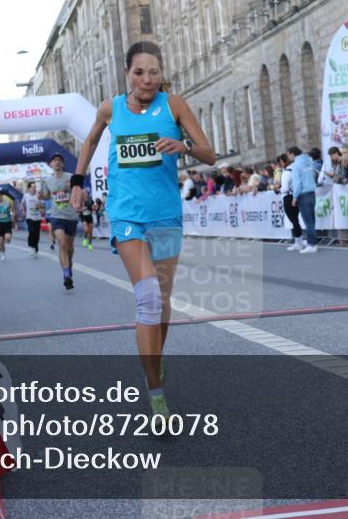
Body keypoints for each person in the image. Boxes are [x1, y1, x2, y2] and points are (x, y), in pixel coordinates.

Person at [68, 40, 215, 419]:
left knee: (162, 302)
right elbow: (90, 139)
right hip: (126, 214)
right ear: (127, 74)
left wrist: (183, 145)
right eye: (139, 72)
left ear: (161, 73)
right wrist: (77, 181)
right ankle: (156, 394)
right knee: (148, 297)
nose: (147, 79)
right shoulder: (111, 108)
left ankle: (155, 361)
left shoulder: (174, 105)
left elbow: (209, 154)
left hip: (165, 215)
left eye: (154, 72)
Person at [39, 153, 79, 289]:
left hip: (71, 216)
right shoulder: (47, 180)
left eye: (59, 160)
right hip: (56, 216)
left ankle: (69, 263)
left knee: (70, 246)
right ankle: (66, 275)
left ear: (63, 164)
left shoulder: (70, 177)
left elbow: (79, 191)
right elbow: (46, 196)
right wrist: (41, 195)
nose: (57, 162)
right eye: (54, 160)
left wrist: (72, 187)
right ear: (50, 164)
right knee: (62, 243)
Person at [290, 147, 318, 254]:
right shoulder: (310, 161)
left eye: (289, 154)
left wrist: (294, 197)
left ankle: (312, 244)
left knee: (308, 221)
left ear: (292, 154)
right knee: (312, 220)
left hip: (303, 194)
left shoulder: (296, 165)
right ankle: (312, 242)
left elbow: (297, 183)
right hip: (312, 192)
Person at [277, 152, 304, 250]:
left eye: (280, 162)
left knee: (294, 220)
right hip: (296, 195)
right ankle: (299, 241)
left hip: (288, 197)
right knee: (295, 220)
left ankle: (298, 242)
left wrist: (277, 189)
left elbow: (284, 188)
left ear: (283, 162)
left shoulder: (286, 173)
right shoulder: (295, 169)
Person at [22, 182, 44, 258]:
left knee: (37, 235)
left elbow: (42, 207)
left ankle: (36, 249)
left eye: (35, 187)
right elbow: (22, 204)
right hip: (29, 217)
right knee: (32, 231)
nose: (35, 188)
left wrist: (39, 206)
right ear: (29, 188)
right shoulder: (25, 196)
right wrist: (23, 210)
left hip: (37, 218)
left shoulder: (38, 196)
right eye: (33, 187)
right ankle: (32, 246)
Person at [0, 195, 14, 260]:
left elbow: (13, 210)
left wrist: (13, 216)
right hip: (0, 224)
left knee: (7, 238)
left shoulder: (7, 203)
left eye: (0, 196)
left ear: (2, 197)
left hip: (7, 223)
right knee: (1, 240)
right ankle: (3, 254)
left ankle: (7, 239)